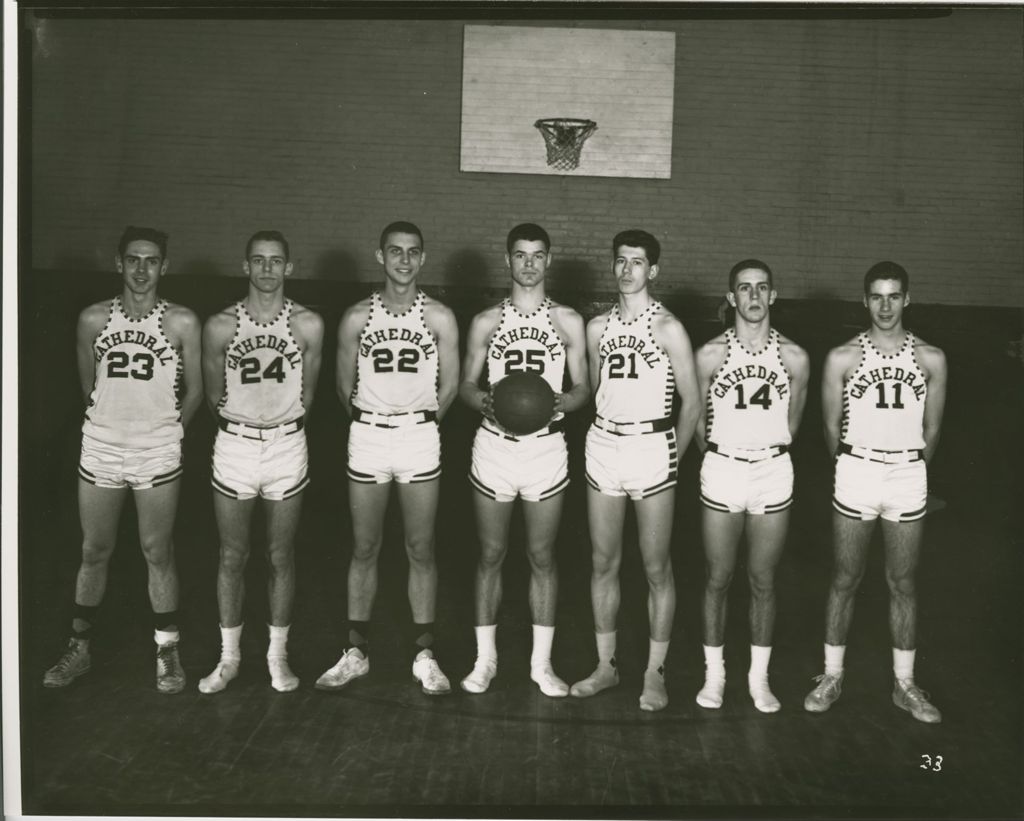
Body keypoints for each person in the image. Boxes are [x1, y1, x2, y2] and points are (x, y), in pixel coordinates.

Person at [43, 226, 202, 693]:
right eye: (132, 259)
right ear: (118, 263)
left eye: (151, 260)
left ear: (164, 266)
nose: (141, 269)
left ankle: (167, 651)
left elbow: (195, 391)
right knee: (94, 550)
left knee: (157, 550)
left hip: (157, 450)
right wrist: (110, 423)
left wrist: (171, 431)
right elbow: (87, 386)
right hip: (102, 447)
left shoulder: (183, 322)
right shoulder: (93, 319)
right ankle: (79, 648)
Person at [316, 222, 460, 696]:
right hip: (369, 437)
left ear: (423, 258)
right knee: (364, 547)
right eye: (395, 252)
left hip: (419, 436)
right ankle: (355, 652)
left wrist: (416, 422)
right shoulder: (358, 317)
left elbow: (451, 386)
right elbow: (342, 387)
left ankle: (424, 655)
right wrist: (373, 420)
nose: (404, 260)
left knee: (421, 547)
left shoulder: (439, 316)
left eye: (413, 252)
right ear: (380, 257)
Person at [804, 261, 947, 723]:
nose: (885, 306)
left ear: (907, 299)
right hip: (856, 471)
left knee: (902, 583)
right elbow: (829, 429)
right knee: (845, 578)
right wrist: (856, 463)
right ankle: (830, 675)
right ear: (864, 300)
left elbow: (933, 430)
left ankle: (905, 685)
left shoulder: (931, 358)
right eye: (876, 296)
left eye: (893, 296)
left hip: (907, 473)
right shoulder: (842, 357)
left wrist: (905, 467)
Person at [570, 229, 699, 712]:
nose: (627, 270)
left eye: (638, 262)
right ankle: (606, 666)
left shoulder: (669, 327)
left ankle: (654, 671)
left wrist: (673, 458)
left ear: (654, 270)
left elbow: (693, 403)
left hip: (653, 448)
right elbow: (598, 390)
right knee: (604, 563)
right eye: (621, 261)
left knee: (655, 567)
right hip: (604, 443)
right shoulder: (596, 327)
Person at [457, 223, 589, 697]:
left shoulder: (569, 320)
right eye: (520, 255)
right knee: (491, 554)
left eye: (537, 255)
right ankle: (485, 660)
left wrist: (561, 403)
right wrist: (483, 402)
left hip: (546, 447)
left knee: (541, 556)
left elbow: (583, 389)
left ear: (548, 260)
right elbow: (465, 386)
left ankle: (540, 665)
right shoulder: (486, 321)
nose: (528, 264)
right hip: (493, 445)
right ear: (507, 260)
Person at [199, 230, 324, 694]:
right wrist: (245, 426)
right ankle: (229, 658)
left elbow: (308, 393)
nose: (267, 269)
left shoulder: (309, 324)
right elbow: (213, 395)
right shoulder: (220, 325)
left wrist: (278, 426)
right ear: (245, 266)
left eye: (276, 261)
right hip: (234, 444)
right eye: (259, 261)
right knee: (232, 555)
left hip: (287, 445)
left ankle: (277, 657)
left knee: (279, 554)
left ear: (289, 268)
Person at [693, 260, 809, 713]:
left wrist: (763, 449)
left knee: (763, 579)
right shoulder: (710, 354)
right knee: (718, 577)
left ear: (773, 296)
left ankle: (758, 679)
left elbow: (792, 424)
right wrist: (724, 453)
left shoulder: (795, 357)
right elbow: (699, 423)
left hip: (772, 470)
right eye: (745, 289)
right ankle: (715, 676)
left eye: (762, 288)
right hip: (722, 467)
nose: (754, 297)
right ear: (731, 298)